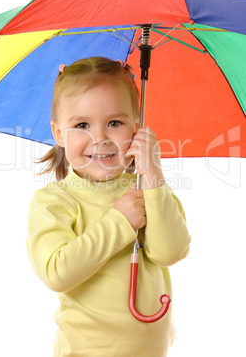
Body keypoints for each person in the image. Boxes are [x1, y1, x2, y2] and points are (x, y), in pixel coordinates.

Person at [26, 57, 191, 357]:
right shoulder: (54, 201)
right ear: (59, 133)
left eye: (114, 123)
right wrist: (119, 222)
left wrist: (153, 174)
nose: (100, 137)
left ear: (136, 127)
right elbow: (56, 272)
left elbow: (171, 251)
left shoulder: (146, 190)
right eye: (81, 125)